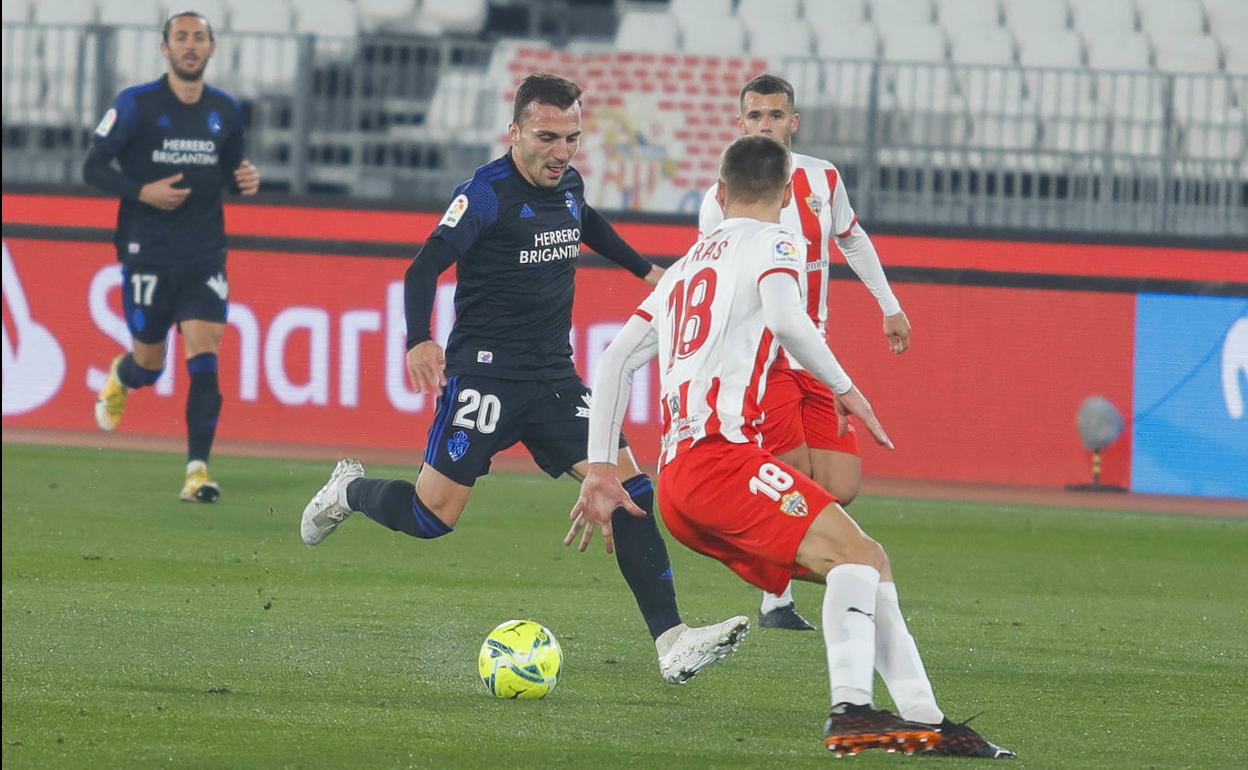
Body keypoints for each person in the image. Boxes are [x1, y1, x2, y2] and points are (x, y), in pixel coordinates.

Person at [570, 134, 1014, 757]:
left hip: (681, 482)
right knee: (856, 561)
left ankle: (927, 722)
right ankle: (852, 712)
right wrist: (845, 387)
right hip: (724, 462)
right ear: (785, 196)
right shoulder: (776, 240)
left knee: (867, 559)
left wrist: (598, 470)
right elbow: (785, 317)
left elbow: (615, 360)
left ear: (719, 193)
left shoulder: (685, 267)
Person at [300, 73, 749, 684]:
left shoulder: (567, 183)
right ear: (513, 132)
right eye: (547, 137)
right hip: (483, 380)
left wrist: (649, 273)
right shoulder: (485, 194)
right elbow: (423, 268)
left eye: (573, 138)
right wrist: (419, 338)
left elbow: (583, 220)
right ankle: (348, 491)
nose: (561, 152)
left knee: (627, 491)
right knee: (432, 518)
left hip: (553, 380)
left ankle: (672, 642)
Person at [699, 74, 911, 632]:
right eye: (754, 117)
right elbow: (709, 279)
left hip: (814, 353)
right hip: (762, 360)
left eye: (774, 116)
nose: (764, 125)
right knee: (788, 477)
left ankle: (778, 565)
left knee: (841, 485)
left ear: (793, 122)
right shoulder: (720, 198)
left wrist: (889, 305)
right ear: (740, 124)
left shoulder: (824, 178)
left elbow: (853, 238)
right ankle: (776, 601)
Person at [86, 11, 260, 502]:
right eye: (181, 37)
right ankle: (124, 375)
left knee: (204, 358)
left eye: (198, 38)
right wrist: (142, 191)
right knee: (151, 366)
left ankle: (197, 472)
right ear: (164, 48)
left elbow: (230, 171)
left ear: (212, 48)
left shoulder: (225, 110)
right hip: (147, 252)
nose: (190, 45)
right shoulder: (137, 104)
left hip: (204, 252)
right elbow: (92, 167)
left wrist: (245, 181)